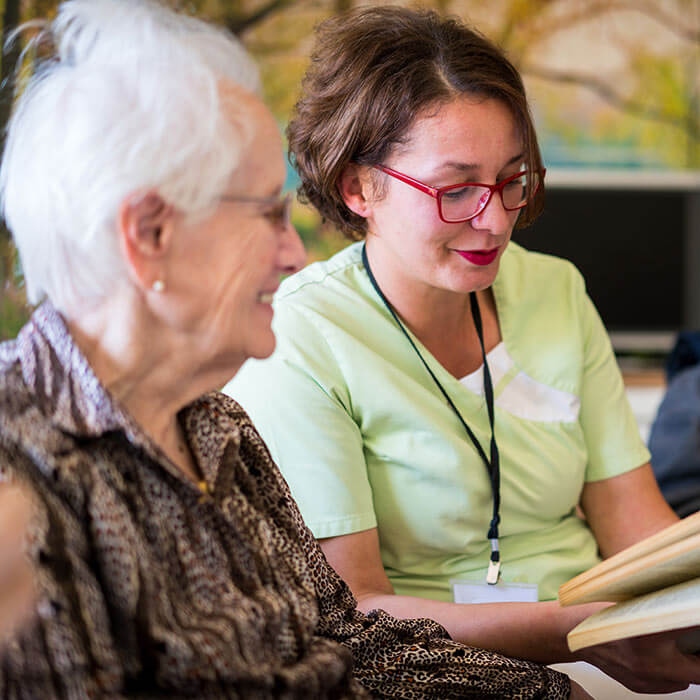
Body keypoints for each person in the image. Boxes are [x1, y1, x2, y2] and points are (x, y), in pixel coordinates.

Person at [0, 0, 582, 697]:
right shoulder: (21, 468)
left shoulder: (217, 425)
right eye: (267, 213)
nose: (293, 251)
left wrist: (547, 692)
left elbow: (344, 637)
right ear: (149, 235)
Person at [226, 5, 700, 694]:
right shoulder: (303, 336)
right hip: (434, 665)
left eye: (513, 179)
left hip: (614, 640)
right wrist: (578, 633)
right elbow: (355, 608)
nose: (495, 219)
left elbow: (636, 527)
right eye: (456, 190)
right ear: (359, 186)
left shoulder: (555, 290)